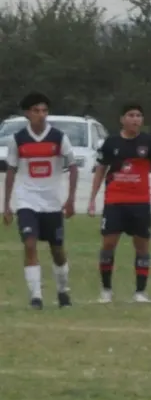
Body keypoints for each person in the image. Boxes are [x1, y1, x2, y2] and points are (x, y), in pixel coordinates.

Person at [88, 103, 151, 303]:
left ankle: (140, 292)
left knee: (142, 246)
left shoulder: (148, 143)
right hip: (115, 201)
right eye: (131, 115)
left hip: (140, 202)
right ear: (122, 119)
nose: (136, 119)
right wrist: (92, 198)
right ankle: (106, 290)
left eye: (139, 115)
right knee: (108, 244)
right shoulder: (111, 143)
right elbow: (100, 170)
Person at [2, 92, 78, 309]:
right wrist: (6, 204)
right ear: (27, 113)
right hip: (27, 201)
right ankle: (36, 296)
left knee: (57, 250)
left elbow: (72, 166)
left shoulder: (58, 137)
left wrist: (71, 198)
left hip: (52, 203)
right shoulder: (18, 139)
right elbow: (11, 170)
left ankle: (63, 290)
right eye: (36, 111)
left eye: (44, 110)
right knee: (29, 244)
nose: (41, 115)